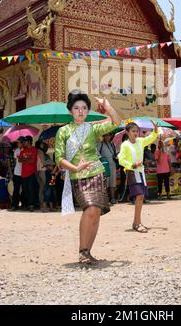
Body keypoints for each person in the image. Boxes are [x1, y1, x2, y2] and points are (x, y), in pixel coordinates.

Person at [55, 92, 121, 265]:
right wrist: (75, 167)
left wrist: (108, 106)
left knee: (96, 212)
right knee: (90, 208)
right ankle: (82, 251)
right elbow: (59, 158)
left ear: (88, 110)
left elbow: (116, 122)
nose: (80, 111)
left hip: (97, 173)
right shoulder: (63, 131)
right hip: (78, 176)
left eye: (84, 108)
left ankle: (87, 252)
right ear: (70, 111)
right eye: (76, 108)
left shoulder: (92, 128)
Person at [118, 121, 159, 233]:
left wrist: (155, 131)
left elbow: (151, 138)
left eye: (137, 131)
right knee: (139, 196)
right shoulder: (125, 145)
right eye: (133, 131)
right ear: (127, 132)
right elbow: (121, 159)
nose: (136, 133)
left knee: (141, 197)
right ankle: (137, 223)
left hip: (140, 172)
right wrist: (131, 165)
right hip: (132, 172)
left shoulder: (140, 141)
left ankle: (137, 222)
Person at [97, 132, 118, 204]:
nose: (107, 137)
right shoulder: (100, 144)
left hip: (113, 165)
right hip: (105, 165)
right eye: (105, 135)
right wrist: (102, 159)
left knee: (113, 183)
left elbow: (116, 153)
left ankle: (112, 198)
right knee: (105, 183)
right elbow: (97, 154)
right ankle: (105, 200)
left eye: (109, 135)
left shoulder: (112, 144)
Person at [19, 136, 38, 212]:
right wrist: (27, 159)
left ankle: (31, 205)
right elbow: (19, 160)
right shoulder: (22, 150)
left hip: (31, 172)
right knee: (25, 190)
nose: (24, 143)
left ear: (29, 141)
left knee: (31, 189)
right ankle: (26, 205)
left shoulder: (34, 149)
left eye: (25, 141)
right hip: (23, 173)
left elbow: (32, 161)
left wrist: (25, 160)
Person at [36, 141, 48, 211]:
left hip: (37, 171)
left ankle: (41, 205)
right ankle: (44, 206)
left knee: (40, 188)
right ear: (40, 144)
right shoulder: (40, 151)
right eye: (42, 144)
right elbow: (43, 162)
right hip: (42, 170)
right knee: (44, 189)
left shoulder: (35, 151)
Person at [11, 138, 24, 210]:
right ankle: (14, 205)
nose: (18, 144)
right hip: (17, 172)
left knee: (24, 189)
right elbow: (16, 162)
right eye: (18, 143)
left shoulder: (25, 150)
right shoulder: (16, 150)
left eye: (20, 142)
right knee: (16, 189)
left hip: (25, 172)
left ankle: (23, 203)